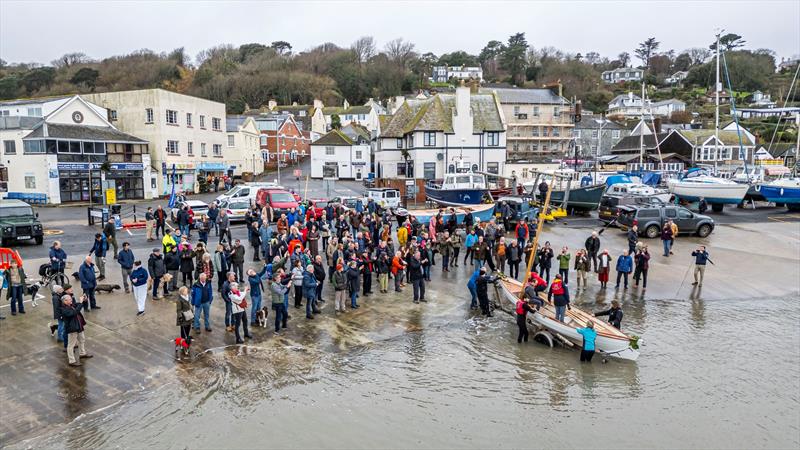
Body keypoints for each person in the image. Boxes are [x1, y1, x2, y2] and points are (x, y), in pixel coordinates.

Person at [60, 295, 92, 366]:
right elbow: (74, 313)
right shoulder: (63, 309)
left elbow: (79, 305)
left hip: (79, 326)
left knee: (82, 340)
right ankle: (71, 361)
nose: (71, 300)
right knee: (71, 345)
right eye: (69, 299)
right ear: (65, 301)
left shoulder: (71, 305)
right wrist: (80, 303)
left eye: (71, 299)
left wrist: (84, 300)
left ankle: (82, 353)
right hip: (72, 329)